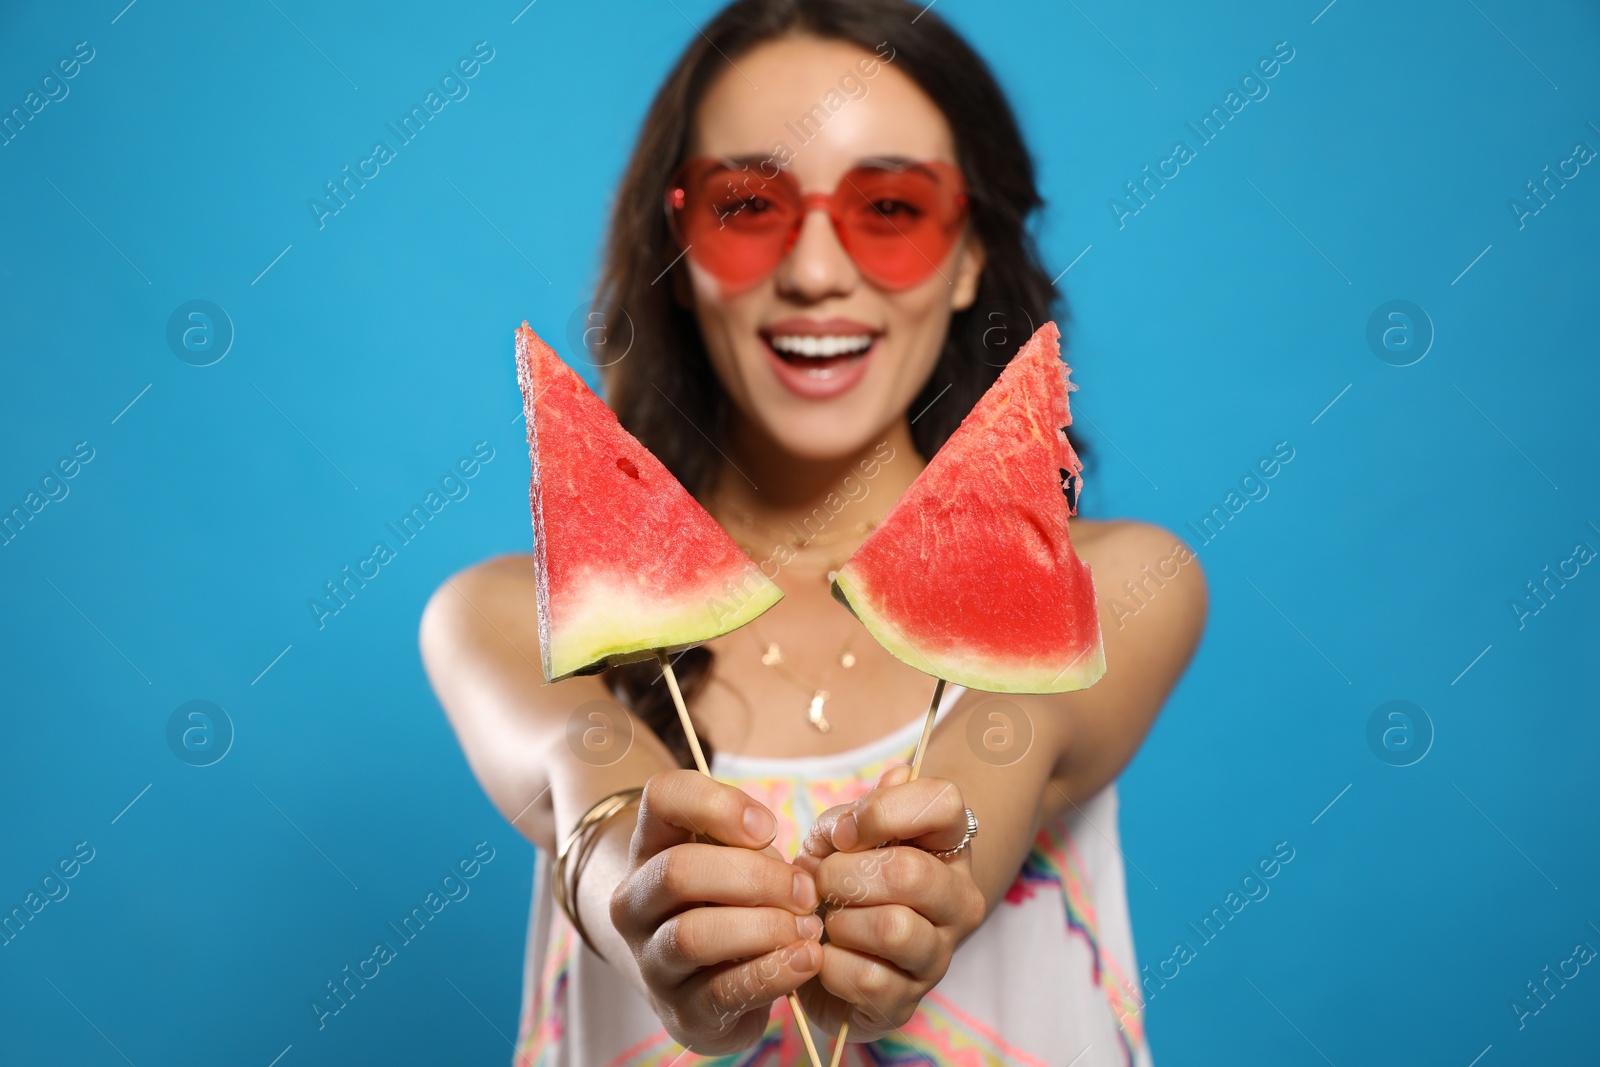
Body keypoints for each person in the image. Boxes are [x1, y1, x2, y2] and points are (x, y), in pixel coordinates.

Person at [420, 1, 1206, 1063]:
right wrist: (637, 900)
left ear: (970, 254)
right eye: (749, 207)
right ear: (679, 249)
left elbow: (1007, 744)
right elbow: (582, 778)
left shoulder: (1119, 585)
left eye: (889, 205)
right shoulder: (508, 615)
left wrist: (934, 880)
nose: (817, 271)